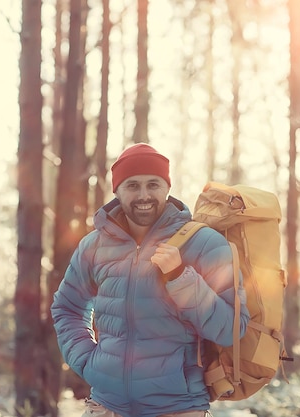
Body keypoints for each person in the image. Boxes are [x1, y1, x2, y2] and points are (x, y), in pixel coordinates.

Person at [51, 143, 249, 417]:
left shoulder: (204, 243)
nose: (144, 195)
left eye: (153, 184)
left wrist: (180, 278)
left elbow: (232, 329)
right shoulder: (93, 246)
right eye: (132, 185)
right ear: (117, 190)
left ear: (167, 187)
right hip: (107, 406)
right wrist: (88, 361)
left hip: (179, 408)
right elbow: (68, 308)